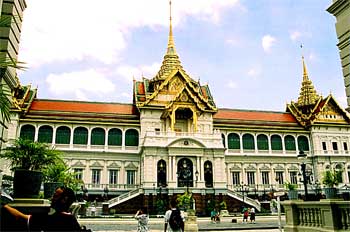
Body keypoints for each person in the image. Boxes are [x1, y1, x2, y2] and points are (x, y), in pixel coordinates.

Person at [3, 186, 83, 231]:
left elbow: (20, 216)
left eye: (55, 196)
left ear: (64, 199)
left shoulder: (51, 218)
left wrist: (4, 206)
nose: (52, 198)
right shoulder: (71, 219)